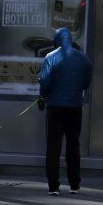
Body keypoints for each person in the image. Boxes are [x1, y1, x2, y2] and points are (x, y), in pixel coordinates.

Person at [38, 27, 92, 196]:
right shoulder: (83, 59)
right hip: (75, 107)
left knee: (53, 147)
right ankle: (74, 184)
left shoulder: (51, 57)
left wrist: (43, 97)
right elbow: (86, 83)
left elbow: (45, 83)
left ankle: (53, 185)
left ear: (57, 40)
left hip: (54, 107)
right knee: (73, 145)